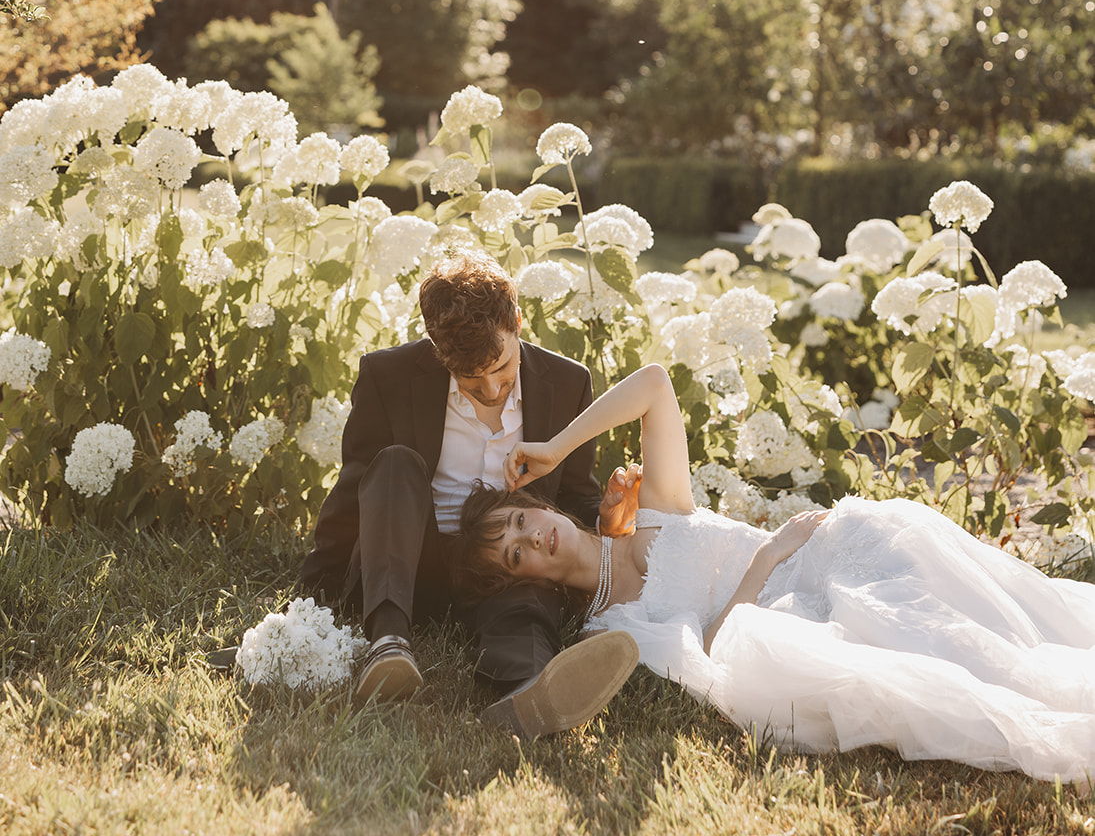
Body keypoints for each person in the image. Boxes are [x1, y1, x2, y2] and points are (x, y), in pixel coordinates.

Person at [454, 362, 1095, 784]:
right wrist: (764, 561)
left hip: (828, 555)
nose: (531, 537)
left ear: (534, 502)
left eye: (518, 520)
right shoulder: (610, 623)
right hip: (789, 613)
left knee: (953, 593)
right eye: (517, 553)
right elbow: (707, 655)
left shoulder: (653, 510)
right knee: (935, 656)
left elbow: (653, 385)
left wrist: (558, 447)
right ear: (526, 579)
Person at [293, 251, 640, 738]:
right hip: (407, 563)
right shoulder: (386, 376)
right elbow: (358, 492)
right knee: (394, 461)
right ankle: (389, 643)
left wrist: (605, 516)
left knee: (527, 592)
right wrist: (311, 598)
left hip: (505, 562)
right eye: (470, 381)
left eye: (501, 367)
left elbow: (573, 496)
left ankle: (529, 688)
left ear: (517, 323)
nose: (493, 389)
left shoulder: (567, 384)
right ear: (438, 353)